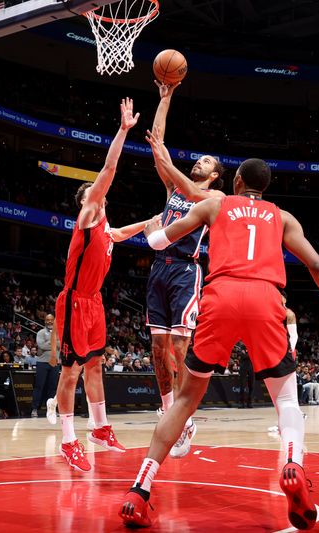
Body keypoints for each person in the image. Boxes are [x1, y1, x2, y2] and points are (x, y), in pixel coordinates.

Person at [119, 156, 319, 529]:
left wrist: (154, 227)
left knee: (185, 400)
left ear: (235, 181)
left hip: (221, 296)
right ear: (264, 187)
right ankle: (293, 465)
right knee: (285, 399)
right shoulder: (282, 217)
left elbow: (157, 242)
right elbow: (317, 266)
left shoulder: (215, 203)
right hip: (266, 299)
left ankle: (140, 490)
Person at [50, 98, 154, 472]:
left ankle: (100, 428)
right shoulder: (88, 215)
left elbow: (121, 233)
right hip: (74, 303)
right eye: (96, 189)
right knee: (71, 372)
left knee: (95, 367)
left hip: (94, 303)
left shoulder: (106, 227)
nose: (102, 190)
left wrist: (150, 222)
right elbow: (109, 169)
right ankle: (67, 439)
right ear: (89, 198)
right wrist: (123, 130)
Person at [146, 83, 226, 456]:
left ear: (215, 175)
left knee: (179, 348)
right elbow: (158, 141)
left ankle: (182, 417)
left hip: (184, 272)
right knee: (157, 348)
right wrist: (166, 98)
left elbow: (180, 178)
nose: (199, 162)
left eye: (207, 162)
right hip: (158, 270)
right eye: (199, 159)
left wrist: (165, 158)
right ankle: (171, 416)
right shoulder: (173, 191)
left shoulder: (214, 198)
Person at [31, 314, 59, 419]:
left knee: (53, 387)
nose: (49, 322)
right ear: (45, 321)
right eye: (47, 320)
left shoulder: (58, 333)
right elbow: (41, 345)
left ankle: (52, 410)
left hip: (55, 363)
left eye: (51, 320)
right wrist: (54, 343)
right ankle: (35, 409)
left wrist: (51, 343)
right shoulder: (40, 333)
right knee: (39, 386)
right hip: (42, 363)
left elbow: (61, 345)